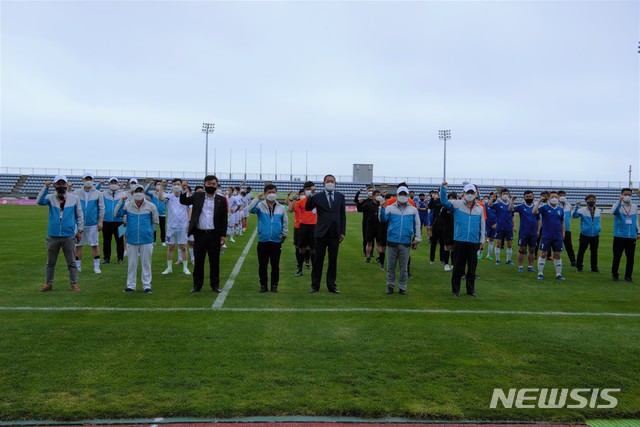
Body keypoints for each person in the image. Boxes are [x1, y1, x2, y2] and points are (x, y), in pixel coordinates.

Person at [180, 176, 228, 292]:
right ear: (204, 184)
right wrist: (183, 189)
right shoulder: (198, 196)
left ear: (217, 185)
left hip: (214, 235)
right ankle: (197, 285)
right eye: (209, 183)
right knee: (199, 261)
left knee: (214, 262)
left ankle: (215, 285)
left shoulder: (221, 199)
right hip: (200, 234)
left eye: (213, 184)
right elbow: (183, 201)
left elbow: (223, 219)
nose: (211, 185)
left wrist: (223, 235)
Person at [38, 176, 84, 292]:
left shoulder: (74, 198)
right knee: (50, 263)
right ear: (54, 185)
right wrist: (45, 187)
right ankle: (48, 283)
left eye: (63, 183)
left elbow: (79, 215)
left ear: (67, 185)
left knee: (71, 262)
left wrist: (80, 231)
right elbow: (39, 201)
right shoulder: (50, 197)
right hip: (53, 235)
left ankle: (74, 283)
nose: (61, 186)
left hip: (68, 235)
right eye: (58, 184)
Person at [440, 183, 484, 297]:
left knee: (472, 267)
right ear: (463, 193)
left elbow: (482, 225)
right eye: (468, 192)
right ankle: (456, 290)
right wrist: (443, 188)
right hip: (460, 240)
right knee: (458, 266)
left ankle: (471, 290)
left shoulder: (480, 208)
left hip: (473, 241)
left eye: (471, 192)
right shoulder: (457, 204)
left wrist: (482, 240)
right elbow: (444, 202)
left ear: (475, 194)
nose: (470, 194)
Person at [305, 174, 346, 293]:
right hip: (321, 232)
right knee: (318, 260)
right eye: (328, 181)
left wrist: (342, 231)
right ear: (323, 183)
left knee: (333, 260)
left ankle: (332, 286)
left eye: (332, 181)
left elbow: (342, 215)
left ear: (335, 183)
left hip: (335, 233)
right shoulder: (317, 196)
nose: (330, 183)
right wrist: (311, 195)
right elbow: (308, 208)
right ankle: (315, 285)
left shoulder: (340, 196)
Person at [379, 186, 421, 295]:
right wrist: (382, 208)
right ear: (397, 195)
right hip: (392, 241)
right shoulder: (390, 208)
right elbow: (383, 219)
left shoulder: (413, 210)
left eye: (404, 194)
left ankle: (402, 287)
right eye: (400, 194)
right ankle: (390, 286)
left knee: (404, 268)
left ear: (407, 196)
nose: (402, 196)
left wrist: (417, 238)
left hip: (405, 242)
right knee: (391, 267)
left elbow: (417, 225)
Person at [117, 185, 159, 293]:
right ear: (132, 193)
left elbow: (155, 222)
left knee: (146, 263)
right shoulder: (127, 205)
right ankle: (131, 285)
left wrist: (149, 232)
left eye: (140, 190)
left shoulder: (151, 206)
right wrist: (121, 202)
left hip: (147, 240)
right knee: (132, 264)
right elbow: (116, 214)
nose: (138, 193)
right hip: (132, 239)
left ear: (144, 192)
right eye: (136, 191)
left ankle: (147, 285)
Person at [249, 184, 288, 292]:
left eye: (273, 192)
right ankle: (263, 285)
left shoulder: (281, 207)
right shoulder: (260, 206)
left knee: (275, 265)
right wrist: (257, 198)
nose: (272, 194)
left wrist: (284, 234)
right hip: (263, 240)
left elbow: (285, 221)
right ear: (265, 193)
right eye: (269, 192)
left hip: (276, 241)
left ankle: (274, 285)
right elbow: (250, 209)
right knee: (263, 265)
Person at [74, 172, 105, 274]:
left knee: (95, 245)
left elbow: (101, 208)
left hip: (93, 223)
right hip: (80, 223)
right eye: (86, 179)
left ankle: (96, 266)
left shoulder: (98, 193)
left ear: (93, 180)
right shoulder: (76, 193)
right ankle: (77, 266)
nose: (88, 181)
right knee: (78, 245)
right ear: (83, 180)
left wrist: (100, 221)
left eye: (90, 179)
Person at [533, 191, 565, 280]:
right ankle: (540, 273)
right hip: (546, 235)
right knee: (543, 254)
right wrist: (539, 201)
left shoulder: (560, 209)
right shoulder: (544, 208)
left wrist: (563, 233)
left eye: (556, 196)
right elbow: (534, 211)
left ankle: (558, 274)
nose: (554, 198)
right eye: (552, 197)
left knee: (557, 255)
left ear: (558, 198)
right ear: (549, 198)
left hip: (557, 236)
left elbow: (562, 222)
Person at [161, 178, 191, 276]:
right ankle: (169, 268)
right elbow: (159, 197)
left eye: (178, 184)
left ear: (181, 185)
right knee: (170, 246)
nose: (176, 186)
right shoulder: (169, 196)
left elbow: (189, 209)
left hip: (183, 226)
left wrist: (189, 222)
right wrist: (162, 185)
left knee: (183, 247)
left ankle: (185, 268)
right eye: (174, 184)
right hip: (171, 226)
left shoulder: (186, 196)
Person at [610, 188, 639, 282]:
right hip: (619, 236)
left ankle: (628, 276)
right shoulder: (618, 205)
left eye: (630, 194)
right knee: (617, 257)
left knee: (630, 258)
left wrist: (638, 232)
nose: (628, 196)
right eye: (625, 194)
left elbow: (636, 220)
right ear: (621, 194)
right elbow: (612, 212)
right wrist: (619, 201)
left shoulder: (634, 206)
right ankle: (615, 274)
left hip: (631, 237)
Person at [510, 191, 539, 272]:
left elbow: (539, 220)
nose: (529, 198)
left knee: (532, 249)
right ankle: (520, 267)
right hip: (523, 232)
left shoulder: (536, 207)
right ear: (524, 198)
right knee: (522, 249)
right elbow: (511, 209)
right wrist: (512, 200)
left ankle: (530, 266)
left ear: (533, 197)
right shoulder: (521, 207)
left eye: (530, 196)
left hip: (533, 232)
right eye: (527, 197)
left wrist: (538, 230)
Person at [572, 194, 602, 273]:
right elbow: (574, 216)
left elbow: (599, 221)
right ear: (586, 201)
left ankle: (594, 267)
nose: (591, 201)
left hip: (595, 235)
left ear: (595, 200)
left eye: (593, 199)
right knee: (581, 251)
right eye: (589, 199)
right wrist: (576, 207)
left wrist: (599, 228)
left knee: (594, 252)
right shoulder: (582, 210)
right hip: (585, 234)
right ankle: (579, 267)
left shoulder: (598, 210)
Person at [295, 182, 317, 276]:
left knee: (313, 249)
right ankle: (300, 269)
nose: (308, 191)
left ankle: (315, 269)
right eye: (307, 189)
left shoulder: (317, 200)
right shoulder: (300, 202)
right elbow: (291, 209)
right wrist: (293, 199)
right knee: (301, 248)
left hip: (314, 226)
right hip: (303, 226)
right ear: (304, 190)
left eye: (310, 189)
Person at [101, 177, 125, 264]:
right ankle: (106, 258)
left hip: (120, 221)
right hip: (106, 221)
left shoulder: (123, 194)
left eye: (115, 182)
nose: (113, 184)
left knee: (120, 240)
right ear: (108, 184)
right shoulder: (103, 194)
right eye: (112, 182)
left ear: (118, 184)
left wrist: (124, 217)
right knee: (106, 240)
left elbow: (126, 207)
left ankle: (120, 258)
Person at [489, 188, 515, 265]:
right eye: (503, 194)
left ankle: (508, 260)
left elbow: (513, 215)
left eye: (506, 194)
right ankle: (497, 260)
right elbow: (490, 205)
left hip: (509, 227)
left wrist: (514, 225)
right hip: (500, 227)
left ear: (509, 195)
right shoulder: (497, 204)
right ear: (501, 195)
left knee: (510, 244)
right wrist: (493, 196)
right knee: (498, 243)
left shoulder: (511, 204)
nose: (505, 195)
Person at [145, 179, 168, 246]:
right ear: (155, 186)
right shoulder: (152, 194)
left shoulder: (165, 194)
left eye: (160, 184)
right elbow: (145, 191)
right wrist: (149, 184)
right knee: (153, 227)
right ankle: (153, 241)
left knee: (162, 228)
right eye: (157, 184)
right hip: (154, 214)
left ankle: (163, 241)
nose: (158, 186)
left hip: (162, 214)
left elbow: (166, 203)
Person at [354, 186, 375, 256]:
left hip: (374, 222)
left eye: (372, 190)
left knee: (373, 239)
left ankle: (371, 253)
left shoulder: (376, 201)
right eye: (369, 190)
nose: (371, 192)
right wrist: (358, 192)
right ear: (367, 192)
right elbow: (356, 202)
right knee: (365, 238)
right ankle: (365, 252)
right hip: (366, 222)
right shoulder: (364, 201)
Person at [558, 190, 576, 267]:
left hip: (567, 229)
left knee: (569, 246)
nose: (562, 196)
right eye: (561, 195)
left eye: (564, 195)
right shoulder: (555, 205)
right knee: (553, 245)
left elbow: (571, 216)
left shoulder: (569, 205)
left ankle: (573, 261)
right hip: (556, 228)